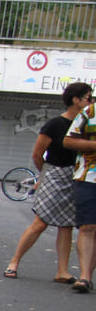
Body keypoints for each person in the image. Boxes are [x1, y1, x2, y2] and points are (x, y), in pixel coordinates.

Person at [4, 82, 92, 283]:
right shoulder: (55, 124)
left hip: (76, 175)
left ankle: (62, 271)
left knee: (67, 225)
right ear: (75, 100)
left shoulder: (86, 125)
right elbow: (37, 155)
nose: (90, 101)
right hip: (54, 172)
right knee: (40, 221)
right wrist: (44, 176)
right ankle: (14, 262)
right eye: (87, 97)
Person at [64, 94, 96, 293]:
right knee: (88, 226)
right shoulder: (90, 112)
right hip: (88, 176)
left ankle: (88, 274)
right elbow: (68, 140)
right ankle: (84, 277)